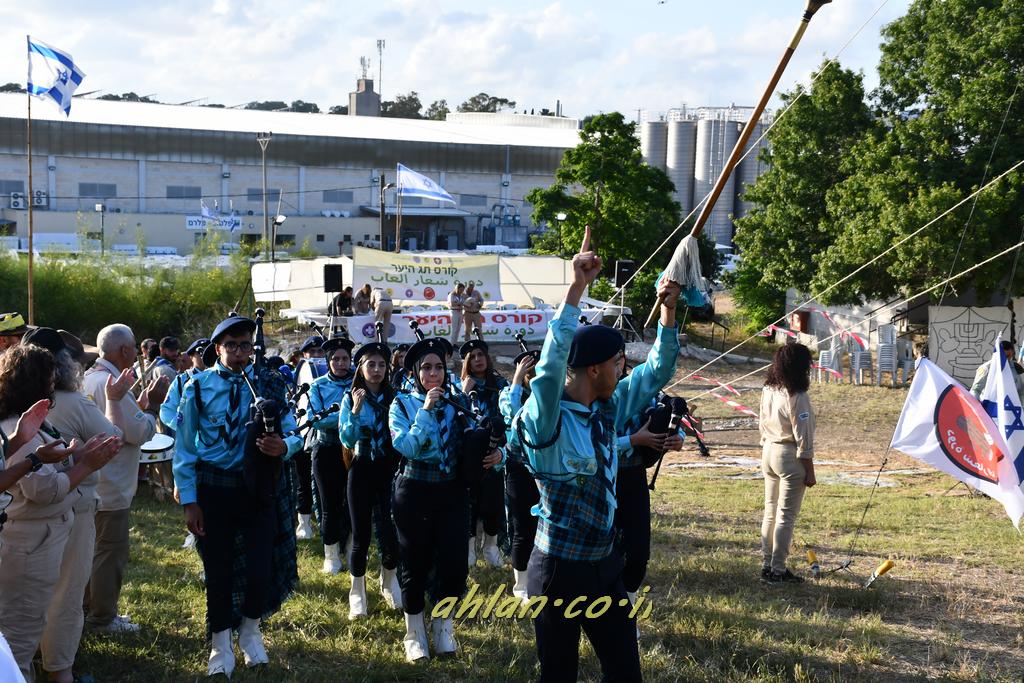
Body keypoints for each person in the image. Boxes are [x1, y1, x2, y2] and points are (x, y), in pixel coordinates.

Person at [511, 226, 680, 681]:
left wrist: (668, 310)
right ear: (592, 369)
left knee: (625, 672)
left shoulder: (607, 407)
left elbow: (657, 371)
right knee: (559, 675)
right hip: (558, 571)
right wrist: (575, 290)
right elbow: (550, 368)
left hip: (604, 565)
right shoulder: (546, 418)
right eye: (617, 363)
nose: (623, 370)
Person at [173, 315, 304, 677]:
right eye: (230, 345)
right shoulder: (197, 387)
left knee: (261, 567)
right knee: (218, 570)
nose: (238, 352)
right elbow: (184, 448)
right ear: (217, 349)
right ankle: (220, 643)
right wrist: (190, 500)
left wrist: (284, 446)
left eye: (245, 344)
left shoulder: (267, 384)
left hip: (257, 487)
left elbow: (295, 431)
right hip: (214, 488)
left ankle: (250, 630)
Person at [0, 343, 122, 680]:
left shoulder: (27, 422)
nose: (55, 384)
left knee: (30, 624)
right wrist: (86, 465)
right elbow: (44, 490)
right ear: (33, 381)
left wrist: (74, 457)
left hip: (35, 539)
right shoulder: (14, 423)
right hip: (29, 543)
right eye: (50, 378)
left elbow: (35, 464)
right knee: (19, 637)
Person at [389, 337, 502, 661]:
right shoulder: (401, 405)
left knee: (454, 564)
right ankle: (414, 633)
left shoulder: (459, 402)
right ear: (414, 372)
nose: (433, 374)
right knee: (415, 561)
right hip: (414, 490)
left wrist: (498, 454)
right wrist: (425, 410)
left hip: (452, 492)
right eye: (426, 368)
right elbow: (407, 447)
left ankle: (443, 627)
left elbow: (479, 437)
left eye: (438, 367)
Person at [29, 329, 130, 683]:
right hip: (71, 504)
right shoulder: (72, 401)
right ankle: (60, 671)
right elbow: (115, 439)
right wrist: (115, 401)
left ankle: (29, 661)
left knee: (29, 592)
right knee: (67, 593)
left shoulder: (11, 403)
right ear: (62, 365)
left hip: (21, 509)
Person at [82, 324, 167, 635]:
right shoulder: (111, 383)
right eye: (133, 346)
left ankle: (87, 609)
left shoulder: (90, 378)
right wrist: (152, 406)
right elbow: (138, 432)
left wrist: (138, 406)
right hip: (112, 484)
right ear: (125, 350)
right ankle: (102, 617)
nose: (134, 352)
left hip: (92, 482)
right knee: (110, 553)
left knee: (91, 551)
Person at [338, 338, 403, 619]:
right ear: (361, 368)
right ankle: (357, 593)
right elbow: (346, 438)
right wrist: (355, 410)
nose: (376, 370)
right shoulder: (349, 397)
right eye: (371, 365)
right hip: (361, 468)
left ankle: (389, 582)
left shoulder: (396, 398)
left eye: (381, 365)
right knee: (360, 535)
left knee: (391, 532)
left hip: (389, 469)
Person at [759, 342, 816, 584]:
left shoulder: (769, 388)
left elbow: (761, 420)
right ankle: (778, 570)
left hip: (768, 450)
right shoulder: (797, 396)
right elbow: (804, 436)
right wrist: (810, 470)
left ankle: (767, 564)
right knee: (785, 516)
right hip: (789, 455)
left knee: (770, 511)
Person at [307, 336, 355, 575]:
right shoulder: (317, 386)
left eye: (345, 358)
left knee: (353, 503)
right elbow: (315, 419)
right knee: (329, 504)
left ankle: (351, 548)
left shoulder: (359, 382)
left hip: (355, 451)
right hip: (326, 449)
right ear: (328, 361)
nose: (340, 363)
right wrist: (349, 416)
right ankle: (331, 555)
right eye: (335, 359)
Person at [460, 336, 509, 568]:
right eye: (473, 357)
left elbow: (509, 417)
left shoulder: (500, 384)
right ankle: (469, 548)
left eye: (481, 355)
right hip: (469, 451)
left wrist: (502, 450)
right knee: (469, 501)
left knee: (493, 500)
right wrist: (463, 391)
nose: (478, 360)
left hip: (495, 449)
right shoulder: (459, 385)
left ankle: (491, 546)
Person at [498, 348, 539, 601]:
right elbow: (512, 412)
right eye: (528, 370)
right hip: (518, 467)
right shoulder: (508, 393)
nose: (533, 375)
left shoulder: (551, 396)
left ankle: (538, 577)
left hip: (544, 467)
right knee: (522, 525)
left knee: (542, 526)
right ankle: (521, 585)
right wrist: (515, 380)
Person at [293, 335, 326, 540]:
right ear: (304, 355)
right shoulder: (301, 370)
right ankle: (303, 522)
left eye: (320, 351)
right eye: (312, 352)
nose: (316, 355)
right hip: (303, 430)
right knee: (303, 479)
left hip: (324, 432)